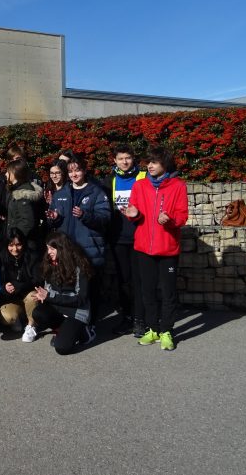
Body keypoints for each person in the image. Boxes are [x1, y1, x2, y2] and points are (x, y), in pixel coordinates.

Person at [123, 146, 188, 351]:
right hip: (143, 248)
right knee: (147, 292)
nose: (149, 166)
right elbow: (135, 212)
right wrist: (133, 214)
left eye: (154, 162)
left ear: (165, 164)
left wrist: (169, 220)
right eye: (148, 162)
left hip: (167, 248)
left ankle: (167, 331)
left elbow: (182, 215)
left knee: (168, 293)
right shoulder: (140, 186)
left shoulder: (178, 186)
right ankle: (153, 328)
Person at [46, 156, 110, 311]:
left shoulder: (97, 192)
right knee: (70, 287)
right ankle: (71, 321)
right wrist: (54, 218)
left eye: (77, 170)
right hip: (67, 250)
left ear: (84, 170)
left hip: (89, 249)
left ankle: (92, 323)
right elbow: (53, 223)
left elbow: (105, 218)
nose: (74, 174)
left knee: (91, 290)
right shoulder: (61, 193)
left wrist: (85, 216)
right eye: (70, 171)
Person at [103, 145, 147, 337]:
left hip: (140, 237)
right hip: (118, 238)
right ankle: (127, 317)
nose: (125, 162)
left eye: (128, 157)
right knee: (123, 281)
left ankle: (140, 320)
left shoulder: (144, 177)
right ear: (115, 160)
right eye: (121, 158)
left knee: (140, 281)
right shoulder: (109, 180)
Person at [32, 231, 96, 355]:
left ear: (62, 248)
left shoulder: (79, 266)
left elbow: (80, 299)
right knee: (39, 313)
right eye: (47, 248)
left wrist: (50, 296)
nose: (48, 252)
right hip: (59, 307)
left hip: (76, 312)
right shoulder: (49, 263)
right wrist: (43, 295)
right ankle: (61, 330)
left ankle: (85, 332)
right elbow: (48, 289)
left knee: (62, 348)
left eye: (52, 248)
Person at [0, 228, 41, 341]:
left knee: (33, 296)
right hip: (13, 298)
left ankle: (31, 325)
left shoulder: (33, 256)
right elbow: (0, 282)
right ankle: (19, 319)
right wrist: (5, 287)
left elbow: (37, 281)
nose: (14, 249)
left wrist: (19, 285)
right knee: (6, 317)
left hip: (28, 294)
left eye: (18, 245)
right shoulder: (3, 256)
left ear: (24, 244)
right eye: (11, 245)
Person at [5, 158, 42, 248]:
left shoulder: (22, 194)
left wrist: (15, 239)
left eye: (8, 172)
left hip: (23, 244)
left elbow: (27, 222)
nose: (6, 174)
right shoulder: (17, 190)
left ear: (15, 173)